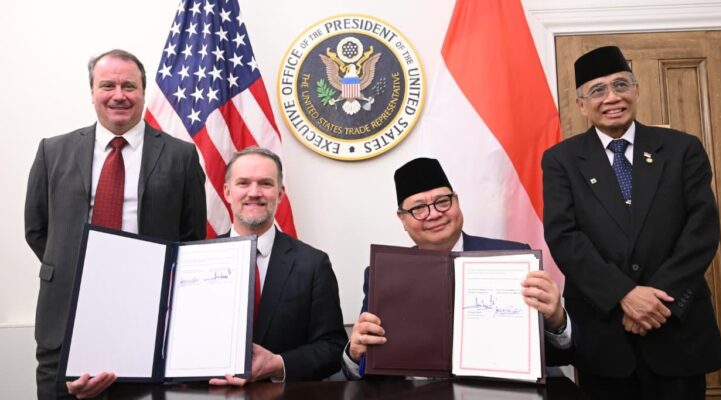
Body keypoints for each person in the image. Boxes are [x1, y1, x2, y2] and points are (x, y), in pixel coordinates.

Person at [542, 45, 721, 399]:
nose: (612, 97)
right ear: (581, 105)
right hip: (604, 335)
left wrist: (655, 301)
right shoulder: (561, 160)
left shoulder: (682, 149)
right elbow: (564, 236)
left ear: (637, 90)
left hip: (676, 328)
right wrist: (623, 294)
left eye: (621, 85)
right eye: (598, 90)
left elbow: (701, 230)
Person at [24, 49, 207, 399]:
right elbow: (37, 229)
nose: (119, 95)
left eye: (129, 86)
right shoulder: (52, 151)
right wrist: (79, 272)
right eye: (108, 85)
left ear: (143, 92)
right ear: (92, 91)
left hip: (147, 324)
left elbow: (191, 236)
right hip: (64, 321)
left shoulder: (181, 156)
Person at [341, 157, 571, 379]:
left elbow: (556, 356)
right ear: (402, 219)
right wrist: (355, 353)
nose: (434, 214)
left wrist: (556, 319)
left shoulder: (516, 258)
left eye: (442, 201)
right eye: (418, 208)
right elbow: (368, 367)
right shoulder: (384, 274)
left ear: (457, 201)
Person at [208, 146, 348, 385]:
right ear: (227, 192)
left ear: (280, 194)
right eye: (243, 183)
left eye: (265, 183)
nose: (254, 193)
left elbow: (333, 348)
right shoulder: (195, 258)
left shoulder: (313, 264)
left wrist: (278, 364)